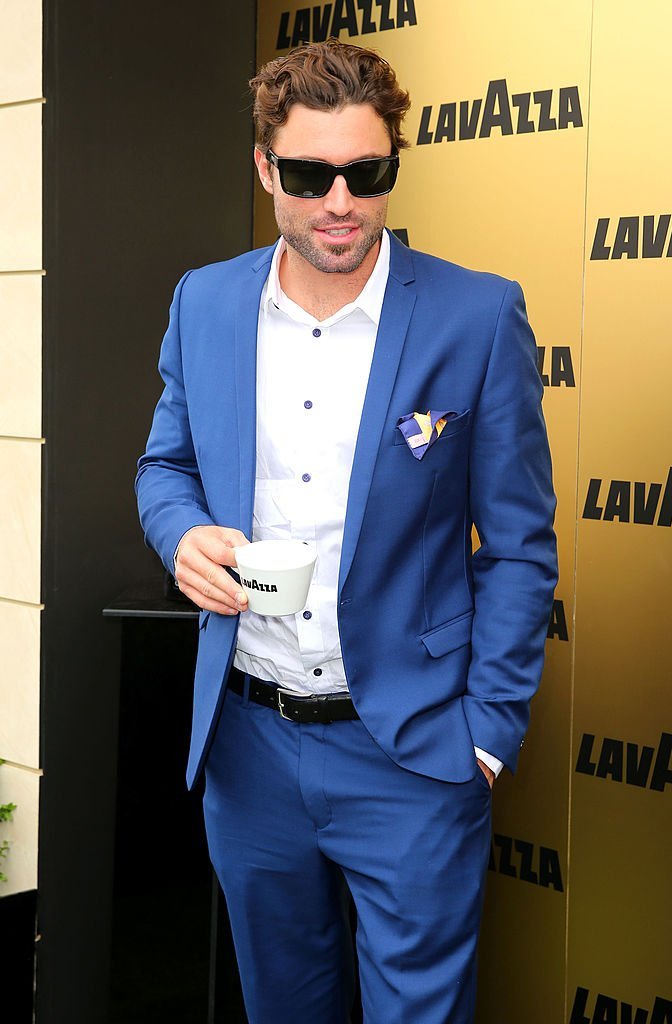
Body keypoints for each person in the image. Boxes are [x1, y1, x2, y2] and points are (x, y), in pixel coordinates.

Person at [136, 39, 557, 1024]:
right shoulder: (206, 302)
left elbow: (522, 544)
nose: (339, 202)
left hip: (411, 750)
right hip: (247, 744)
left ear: (393, 166)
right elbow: (166, 468)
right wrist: (183, 533)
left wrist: (485, 737)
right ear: (262, 168)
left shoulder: (476, 316)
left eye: (367, 173)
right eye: (309, 173)